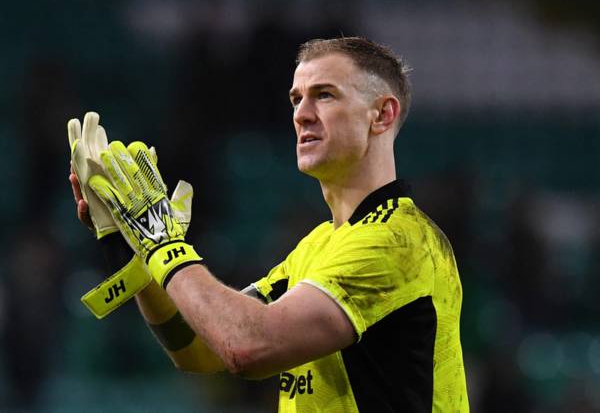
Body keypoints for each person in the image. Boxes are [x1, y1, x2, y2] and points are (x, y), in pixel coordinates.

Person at [69, 37, 469, 412]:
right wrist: (136, 246)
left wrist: (159, 241)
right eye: (296, 99)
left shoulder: (398, 241)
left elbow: (246, 345)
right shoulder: (320, 244)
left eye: (324, 95)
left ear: (382, 114)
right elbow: (196, 348)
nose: (301, 114)